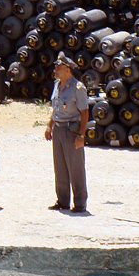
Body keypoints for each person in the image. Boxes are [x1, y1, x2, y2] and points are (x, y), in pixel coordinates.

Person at [44, 52, 89, 214]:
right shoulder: (57, 85)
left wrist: (81, 136)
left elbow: (84, 113)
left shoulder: (78, 88)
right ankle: (62, 201)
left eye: (59, 67)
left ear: (68, 70)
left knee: (76, 168)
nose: (55, 70)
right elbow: (55, 109)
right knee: (60, 167)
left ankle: (80, 203)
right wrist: (50, 126)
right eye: (55, 67)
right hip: (58, 128)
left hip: (71, 130)